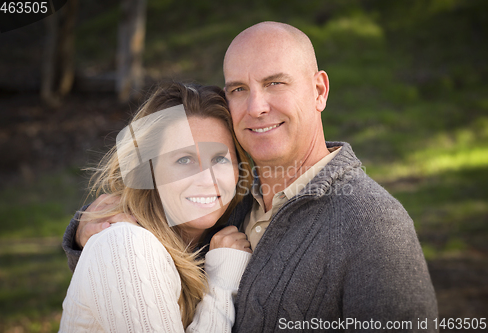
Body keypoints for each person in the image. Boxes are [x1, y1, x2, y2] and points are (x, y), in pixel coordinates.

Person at [63, 22, 438, 332]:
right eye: (239, 89)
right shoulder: (230, 205)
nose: (257, 107)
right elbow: (138, 266)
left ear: (319, 90)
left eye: (276, 83)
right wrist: (91, 226)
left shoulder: (372, 224)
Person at [59, 82, 254, 332]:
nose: (208, 179)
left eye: (219, 159)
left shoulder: (217, 233)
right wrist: (222, 286)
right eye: (184, 160)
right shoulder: (126, 246)